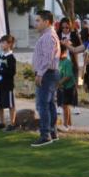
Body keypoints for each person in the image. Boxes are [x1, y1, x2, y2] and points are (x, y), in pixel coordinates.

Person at [31, 10, 60, 147]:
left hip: (47, 73)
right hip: (49, 73)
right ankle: (52, 132)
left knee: (42, 105)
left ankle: (45, 135)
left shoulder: (48, 37)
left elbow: (48, 58)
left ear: (47, 22)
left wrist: (40, 73)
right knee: (49, 104)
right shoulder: (48, 35)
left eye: (38, 20)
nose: (36, 23)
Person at [0, 34, 17, 129]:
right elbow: (0, 69)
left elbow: (12, 72)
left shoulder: (11, 57)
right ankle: (1, 122)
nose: (1, 44)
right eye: (1, 43)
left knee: (10, 104)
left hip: (7, 85)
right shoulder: (1, 56)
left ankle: (12, 123)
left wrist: (0, 72)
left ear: (9, 44)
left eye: (4, 43)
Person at [57, 45, 78, 131]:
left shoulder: (67, 62)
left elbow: (68, 75)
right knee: (65, 106)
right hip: (62, 87)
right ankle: (69, 124)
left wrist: (59, 83)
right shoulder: (59, 62)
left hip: (69, 87)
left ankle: (65, 125)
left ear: (64, 52)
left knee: (65, 106)